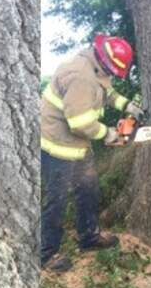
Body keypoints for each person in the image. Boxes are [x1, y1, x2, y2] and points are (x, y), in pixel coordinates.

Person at [40, 34, 145, 272]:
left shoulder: (97, 67)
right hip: (58, 144)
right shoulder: (81, 77)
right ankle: (46, 254)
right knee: (56, 200)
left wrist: (129, 107)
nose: (112, 76)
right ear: (105, 60)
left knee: (88, 190)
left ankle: (89, 237)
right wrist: (109, 134)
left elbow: (107, 92)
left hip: (79, 144)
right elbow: (79, 122)